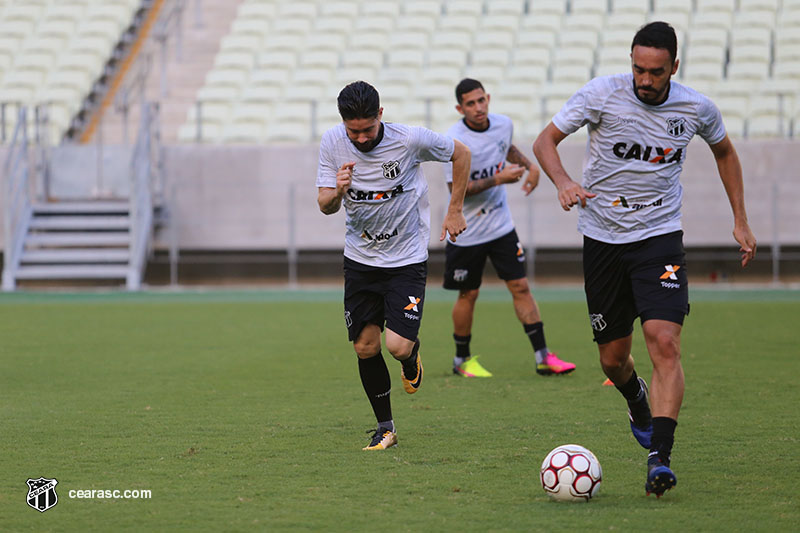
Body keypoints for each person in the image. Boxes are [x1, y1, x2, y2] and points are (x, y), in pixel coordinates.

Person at [533, 21, 757, 497]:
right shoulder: (601, 95)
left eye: (655, 72)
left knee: (664, 341)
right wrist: (565, 182)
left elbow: (725, 152)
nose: (645, 80)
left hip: (659, 238)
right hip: (602, 240)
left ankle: (660, 456)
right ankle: (635, 398)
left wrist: (740, 218)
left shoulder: (696, 108)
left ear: (674, 67)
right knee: (613, 360)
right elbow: (544, 142)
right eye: (638, 69)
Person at [317, 81, 470, 450]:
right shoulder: (332, 143)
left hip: (406, 259)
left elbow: (461, 154)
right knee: (366, 347)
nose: (362, 137)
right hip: (360, 260)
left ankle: (411, 356)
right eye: (354, 131)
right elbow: (324, 204)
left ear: (380, 115)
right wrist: (337, 190)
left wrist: (454, 210)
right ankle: (386, 427)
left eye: (368, 129)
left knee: (398, 346)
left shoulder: (409, 140)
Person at [442, 78, 576, 378]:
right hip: (468, 230)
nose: (478, 108)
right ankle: (461, 360)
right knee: (468, 294)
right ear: (459, 108)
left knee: (521, 286)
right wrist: (497, 180)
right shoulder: (454, 140)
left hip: (501, 226)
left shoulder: (503, 124)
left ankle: (543, 356)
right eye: (470, 104)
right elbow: (457, 190)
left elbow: (505, 147)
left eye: (481, 100)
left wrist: (531, 166)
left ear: (487, 98)